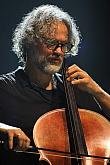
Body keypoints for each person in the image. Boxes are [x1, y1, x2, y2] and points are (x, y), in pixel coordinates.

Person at [0, 4, 110, 165]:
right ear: (29, 42)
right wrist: (2, 128)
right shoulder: (5, 87)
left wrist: (98, 92)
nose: (59, 51)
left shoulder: (76, 89)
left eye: (64, 45)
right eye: (52, 43)